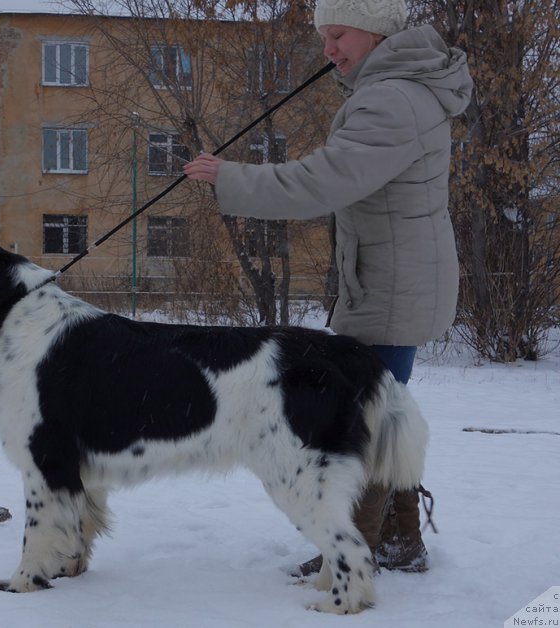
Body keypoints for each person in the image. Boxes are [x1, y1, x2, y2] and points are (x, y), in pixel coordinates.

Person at [184, 0, 474, 575]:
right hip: (390, 275)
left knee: (361, 413)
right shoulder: (401, 87)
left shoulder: (393, 98)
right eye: (324, 38)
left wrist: (231, 178)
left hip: (391, 284)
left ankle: (356, 554)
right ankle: (398, 543)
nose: (329, 50)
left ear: (376, 31)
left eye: (337, 34)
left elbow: (322, 182)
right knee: (382, 409)